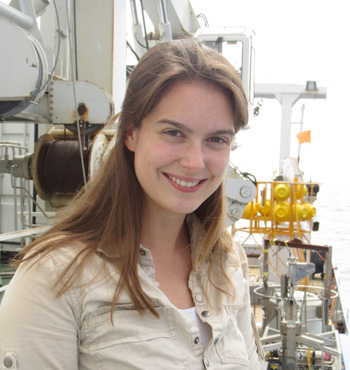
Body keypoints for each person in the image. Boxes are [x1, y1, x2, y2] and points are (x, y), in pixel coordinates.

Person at [0, 38, 265, 369]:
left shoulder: (227, 264)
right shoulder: (53, 279)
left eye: (217, 139)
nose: (195, 161)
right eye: (174, 133)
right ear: (131, 134)